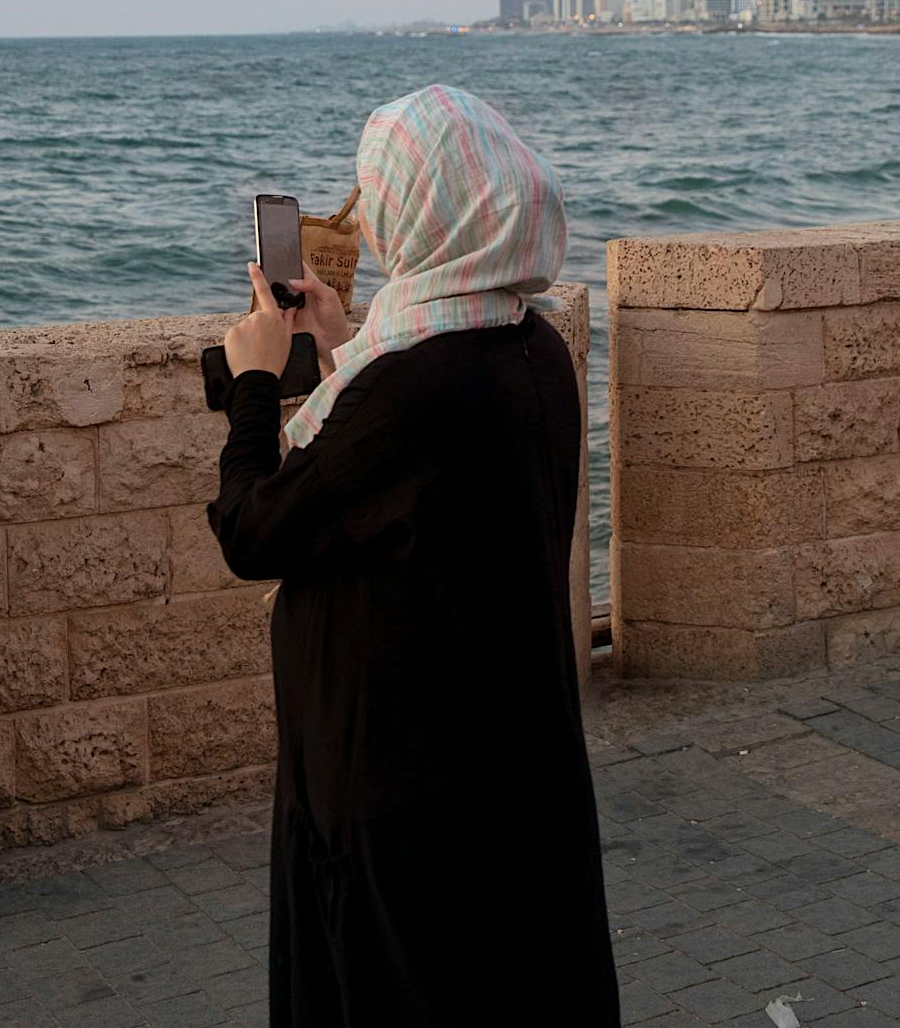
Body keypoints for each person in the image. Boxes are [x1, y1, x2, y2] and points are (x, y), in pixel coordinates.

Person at [209, 84, 620, 1027]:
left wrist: (253, 382)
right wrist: (342, 341)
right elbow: (421, 491)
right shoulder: (529, 348)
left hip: (394, 794)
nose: (371, 218)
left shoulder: (408, 393)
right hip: (503, 769)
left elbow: (252, 530)